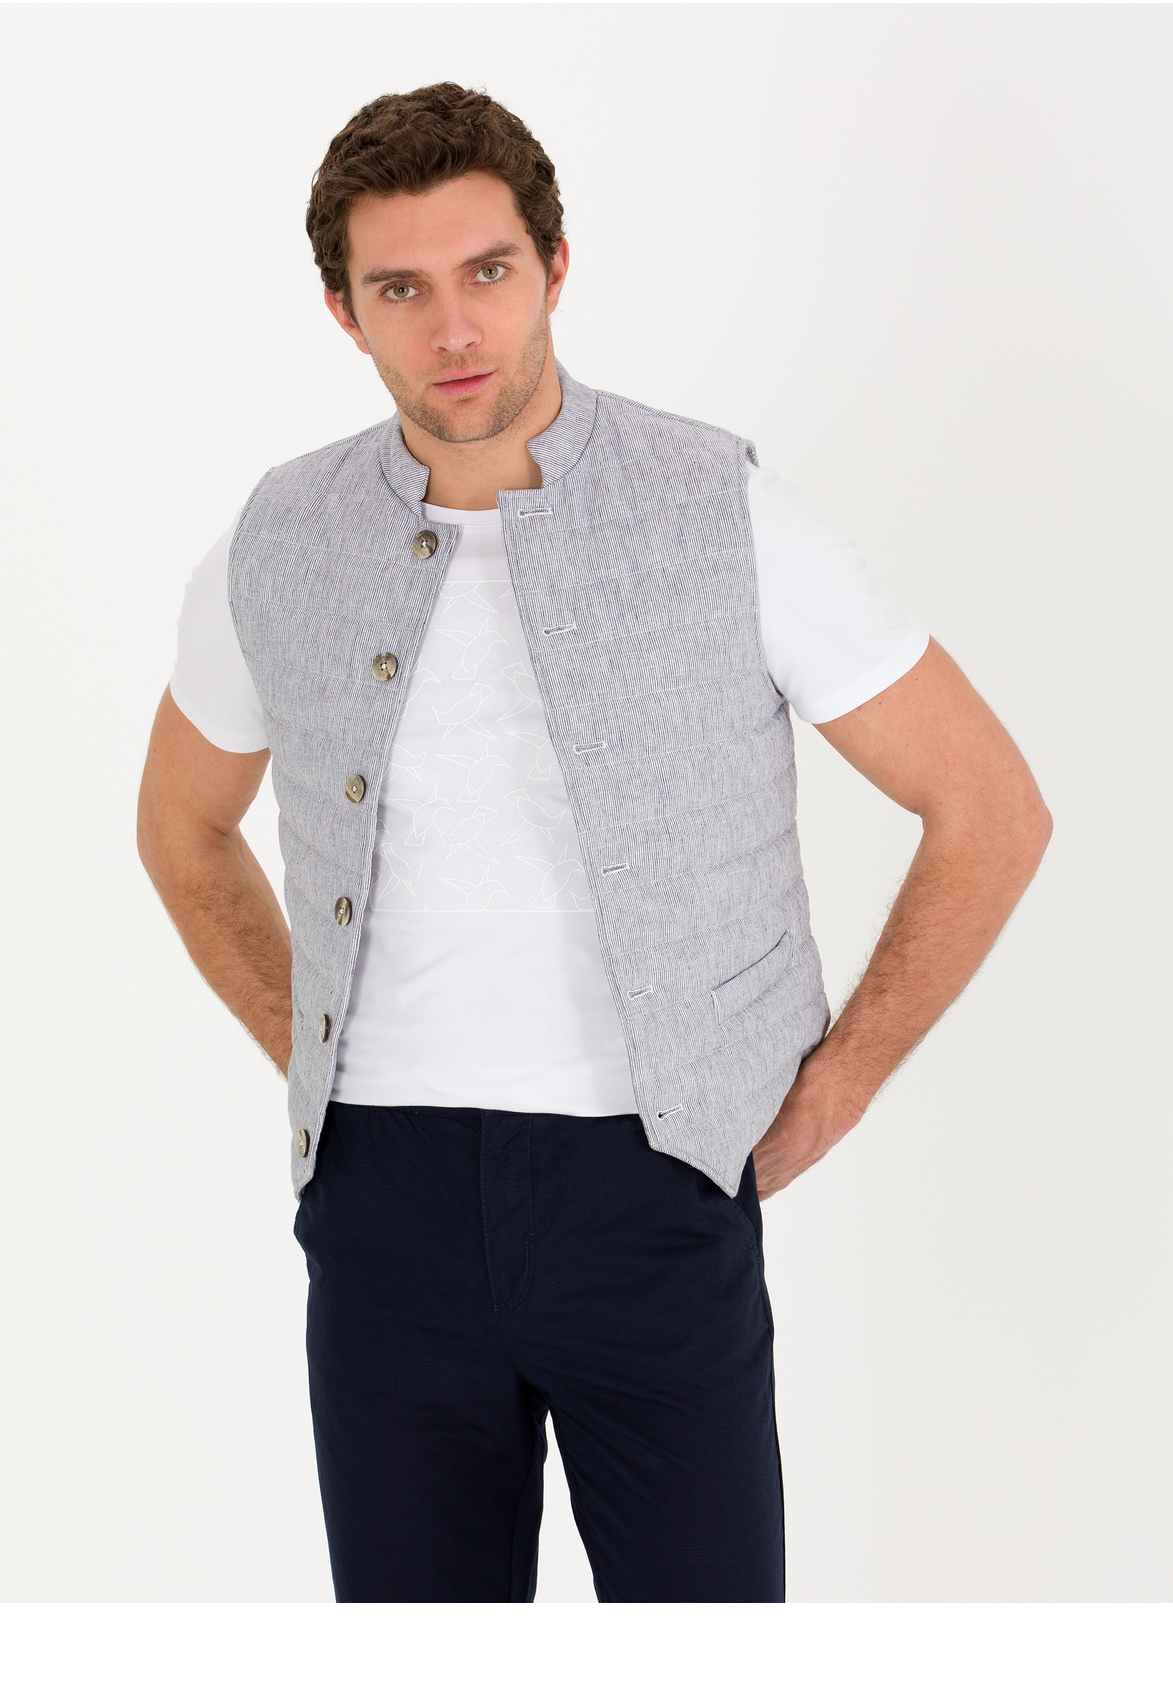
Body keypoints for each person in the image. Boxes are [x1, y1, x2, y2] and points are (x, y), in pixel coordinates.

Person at [136, 81, 1052, 1604]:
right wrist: (314, 1051)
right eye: (400, 290)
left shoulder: (724, 513)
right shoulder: (276, 540)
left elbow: (989, 807)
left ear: (556, 266)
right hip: (383, 1200)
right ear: (343, 311)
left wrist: (837, 1084)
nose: (454, 329)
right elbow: (182, 827)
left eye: (488, 271)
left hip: (653, 1180)